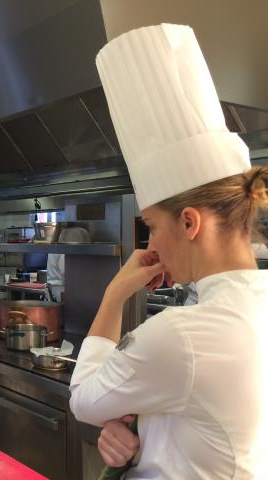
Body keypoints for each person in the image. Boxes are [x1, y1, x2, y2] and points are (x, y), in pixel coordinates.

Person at [69, 24, 268, 478]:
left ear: (190, 222)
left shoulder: (184, 334)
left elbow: (83, 399)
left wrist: (116, 292)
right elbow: (211, 420)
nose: (151, 244)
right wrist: (139, 433)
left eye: (153, 226)